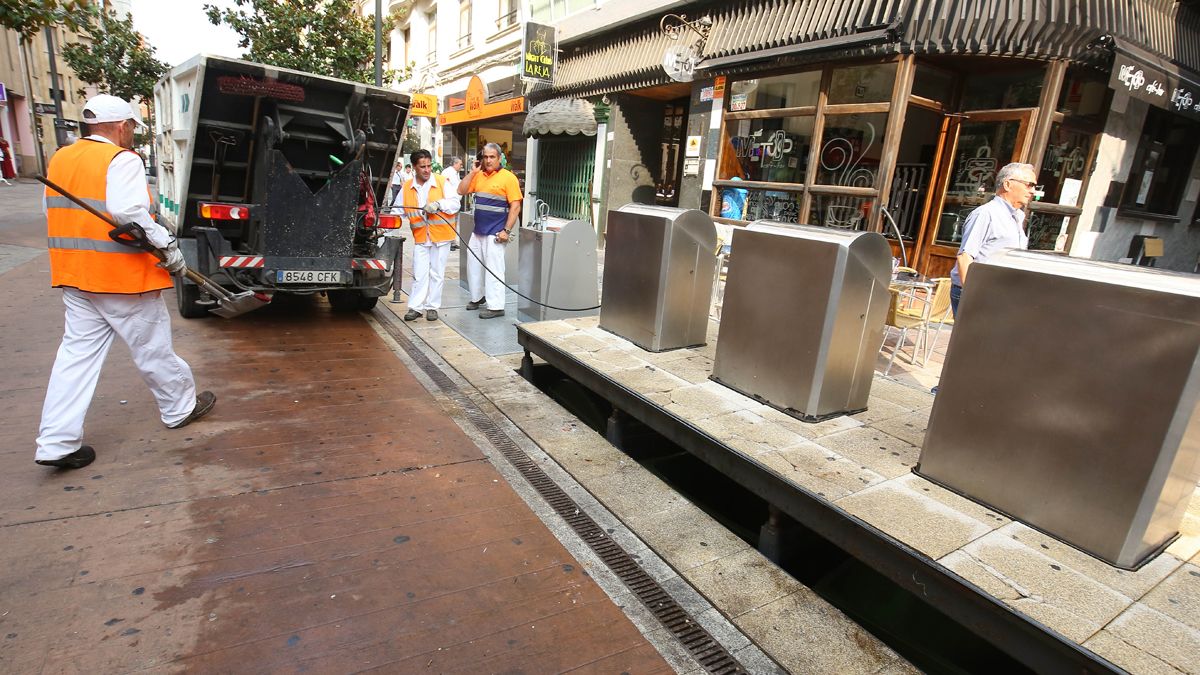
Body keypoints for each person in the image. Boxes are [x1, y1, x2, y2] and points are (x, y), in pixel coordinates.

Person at [36, 94, 215, 470]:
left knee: (75, 358)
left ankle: (56, 442)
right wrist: (167, 245)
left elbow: (53, 211)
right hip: (120, 279)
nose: (132, 132)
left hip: (74, 276)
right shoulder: (121, 159)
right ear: (121, 126)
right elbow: (128, 211)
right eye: (132, 126)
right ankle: (179, 408)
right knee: (153, 349)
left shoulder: (61, 158)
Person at [950, 162, 1035, 316]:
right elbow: (965, 257)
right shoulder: (986, 214)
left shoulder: (1017, 216)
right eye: (1029, 185)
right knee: (974, 340)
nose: (1032, 190)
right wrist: (973, 296)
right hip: (980, 293)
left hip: (1002, 293)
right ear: (1008, 184)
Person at [458, 142, 521, 319]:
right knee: (473, 266)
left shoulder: (508, 178)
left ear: (499, 158)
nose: (488, 160)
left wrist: (506, 231)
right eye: (485, 157)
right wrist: (472, 172)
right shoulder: (478, 176)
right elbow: (461, 190)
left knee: (494, 269)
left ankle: (496, 306)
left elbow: (515, 206)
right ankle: (477, 297)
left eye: (492, 157)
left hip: (495, 233)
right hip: (478, 231)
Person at [399, 149, 460, 322]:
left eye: (428, 166)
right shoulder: (407, 188)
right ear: (414, 168)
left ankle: (432, 307)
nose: (427, 170)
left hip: (441, 236)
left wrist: (438, 204)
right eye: (422, 167)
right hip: (421, 237)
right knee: (419, 273)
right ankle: (416, 308)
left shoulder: (441, 182)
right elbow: (397, 211)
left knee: (437, 273)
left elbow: (455, 203)